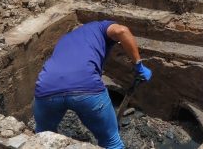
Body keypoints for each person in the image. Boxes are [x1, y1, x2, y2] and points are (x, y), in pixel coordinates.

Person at [33, 21, 152, 149]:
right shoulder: (102, 26)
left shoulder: (66, 38)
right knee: (111, 141)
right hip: (86, 87)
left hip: (46, 88)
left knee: (43, 137)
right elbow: (121, 31)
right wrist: (138, 65)